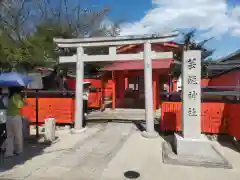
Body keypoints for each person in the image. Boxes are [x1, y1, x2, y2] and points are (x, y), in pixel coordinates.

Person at [5, 87, 24, 157]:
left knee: (9, 136)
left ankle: (9, 152)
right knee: (18, 134)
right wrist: (22, 99)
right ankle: (18, 150)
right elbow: (20, 106)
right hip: (15, 117)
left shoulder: (9, 97)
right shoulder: (17, 96)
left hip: (8, 117)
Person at [0, 88, 8, 154]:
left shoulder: (3, 98)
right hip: (2, 118)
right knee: (5, 133)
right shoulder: (4, 99)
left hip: (2, 117)